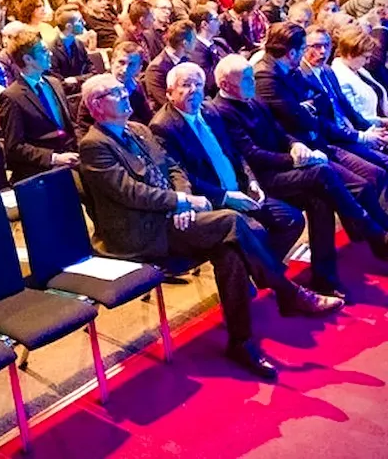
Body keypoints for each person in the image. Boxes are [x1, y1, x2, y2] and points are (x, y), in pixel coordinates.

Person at [79, 73, 342, 380]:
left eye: (124, 90)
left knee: (228, 249)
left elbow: (173, 168)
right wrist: (180, 203)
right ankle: (287, 292)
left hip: (172, 217)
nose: (126, 94)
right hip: (140, 231)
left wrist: (184, 200)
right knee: (231, 220)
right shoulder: (94, 145)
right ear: (97, 105)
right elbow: (130, 193)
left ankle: (241, 342)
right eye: (116, 92)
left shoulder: (137, 129)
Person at [214, 54, 388, 281]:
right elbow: (252, 155)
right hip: (262, 178)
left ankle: (325, 278)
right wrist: (294, 160)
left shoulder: (253, 98)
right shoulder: (222, 111)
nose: (253, 83)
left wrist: (294, 145)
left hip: (281, 166)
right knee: (322, 171)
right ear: (225, 84)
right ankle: (370, 228)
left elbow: (278, 131)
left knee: (321, 199)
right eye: (246, 79)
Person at [150, 62, 304, 261]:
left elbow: (235, 152)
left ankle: (265, 272)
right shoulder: (163, 127)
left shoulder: (210, 111)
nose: (194, 90)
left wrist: (251, 181)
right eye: (186, 84)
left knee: (292, 219)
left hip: (240, 190)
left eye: (198, 84)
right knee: (255, 235)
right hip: (212, 201)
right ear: (170, 93)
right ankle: (272, 277)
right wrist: (225, 196)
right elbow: (183, 176)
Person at [255, 23, 388, 188]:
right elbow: (303, 117)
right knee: (375, 175)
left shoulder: (326, 70)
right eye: (315, 46)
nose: (323, 51)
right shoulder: (295, 72)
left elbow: (346, 110)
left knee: (379, 170)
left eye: (326, 45)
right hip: (324, 139)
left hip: (339, 134)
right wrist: (361, 136)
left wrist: (372, 126)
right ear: (295, 51)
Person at [0, 30, 78, 182]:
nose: (51, 54)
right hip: (44, 167)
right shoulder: (12, 97)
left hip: (71, 154)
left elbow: (71, 125)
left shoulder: (54, 84)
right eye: (43, 51)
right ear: (28, 59)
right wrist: (55, 158)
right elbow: (15, 147)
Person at [76, 41, 152, 140]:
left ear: (139, 69)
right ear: (112, 62)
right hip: (104, 141)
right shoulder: (97, 88)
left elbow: (147, 119)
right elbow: (83, 127)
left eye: (131, 65)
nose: (124, 69)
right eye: (121, 62)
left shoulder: (137, 87)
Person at [331, 26, 388, 126]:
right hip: (369, 130)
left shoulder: (358, 69)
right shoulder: (340, 77)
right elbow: (355, 117)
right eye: (365, 57)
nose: (368, 62)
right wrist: (382, 122)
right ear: (350, 54)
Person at [144, 20, 196, 110]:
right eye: (194, 39)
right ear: (185, 43)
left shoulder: (186, 60)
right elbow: (164, 101)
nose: (196, 43)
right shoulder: (156, 69)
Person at [187, 5, 233, 96]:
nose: (220, 22)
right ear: (204, 25)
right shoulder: (195, 51)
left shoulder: (220, 42)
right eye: (216, 19)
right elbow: (211, 81)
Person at [48, 5, 94, 95]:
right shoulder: (51, 49)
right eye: (80, 21)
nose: (84, 23)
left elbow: (93, 72)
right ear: (69, 26)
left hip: (83, 93)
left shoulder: (79, 44)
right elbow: (59, 84)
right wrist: (83, 80)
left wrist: (76, 80)